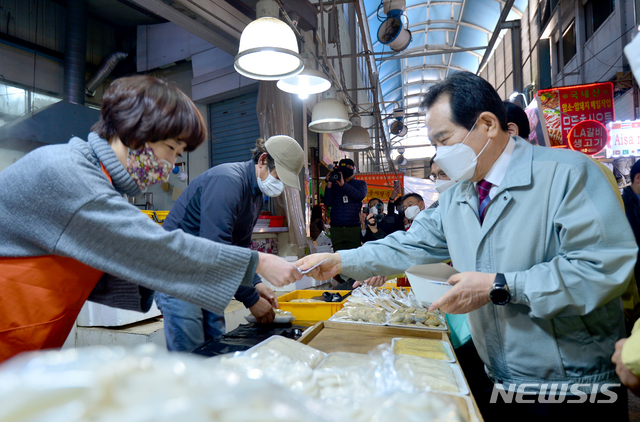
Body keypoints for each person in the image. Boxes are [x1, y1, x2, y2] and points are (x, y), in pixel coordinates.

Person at [298, 71, 636, 420]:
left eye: (444, 140)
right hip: (499, 377)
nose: (440, 155)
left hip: (573, 386)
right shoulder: (460, 196)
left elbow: (601, 267)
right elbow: (408, 245)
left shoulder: (568, 175)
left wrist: (500, 286)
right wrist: (341, 259)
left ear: (488, 124)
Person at [0, 75, 302, 363]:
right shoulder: (70, 174)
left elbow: (121, 263)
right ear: (133, 131)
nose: (171, 164)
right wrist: (257, 264)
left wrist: (249, 280)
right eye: (170, 148)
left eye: (179, 152)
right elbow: (152, 246)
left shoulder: (96, 180)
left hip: (23, 343)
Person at [155, 136, 304, 352]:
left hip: (207, 275)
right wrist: (252, 299)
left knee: (216, 345)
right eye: (278, 177)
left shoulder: (254, 195)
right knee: (190, 355)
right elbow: (217, 248)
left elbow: (239, 247)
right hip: (177, 273)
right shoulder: (227, 181)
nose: (279, 186)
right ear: (263, 160)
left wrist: (256, 282)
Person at [323, 158, 367, 289]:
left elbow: (360, 196)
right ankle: (343, 286)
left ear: (353, 169)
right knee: (339, 258)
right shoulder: (334, 186)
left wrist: (343, 184)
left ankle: (355, 285)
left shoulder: (360, 184)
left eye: (349, 167)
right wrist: (330, 185)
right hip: (336, 227)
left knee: (354, 258)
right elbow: (327, 202)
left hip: (353, 227)